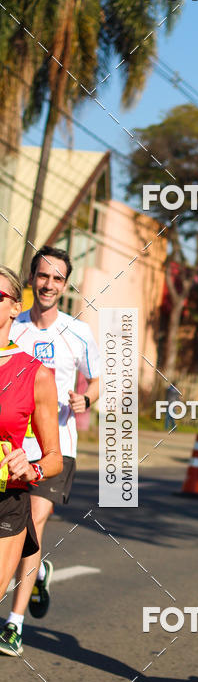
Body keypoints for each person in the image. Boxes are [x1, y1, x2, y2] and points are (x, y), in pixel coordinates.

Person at [0, 246, 100, 657]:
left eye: (58, 278)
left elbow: (95, 380)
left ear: (65, 285)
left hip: (54, 447)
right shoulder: (13, 322)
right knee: (26, 532)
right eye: (43, 276)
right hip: (9, 443)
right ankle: (36, 569)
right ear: (31, 280)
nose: (49, 284)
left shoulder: (78, 333)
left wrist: (85, 401)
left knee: (34, 522)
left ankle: (15, 622)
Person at [0, 266, 62, 655]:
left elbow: (54, 457)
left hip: (6, 498)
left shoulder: (33, 372)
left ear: (13, 307)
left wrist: (32, 467)